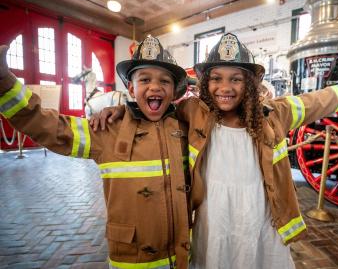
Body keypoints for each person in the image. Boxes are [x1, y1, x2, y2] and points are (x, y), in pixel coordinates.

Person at [90, 33, 338, 269]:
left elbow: (316, 101)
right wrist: (123, 110)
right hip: (213, 223)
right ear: (205, 83)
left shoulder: (274, 114)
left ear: (250, 85)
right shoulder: (192, 112)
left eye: (235, 79)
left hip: (260, 220)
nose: (224, 87)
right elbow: (155, 106)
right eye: (216, 78)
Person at [0, 36, 197, 269]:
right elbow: (48, 126)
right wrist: (5, 83)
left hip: (183, 257)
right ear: (132, 89)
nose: (155, 86)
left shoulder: (186, 129)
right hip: (133, 260)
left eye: (165, 81)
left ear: (174, 91)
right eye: (145, 79)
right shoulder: (106, 130)